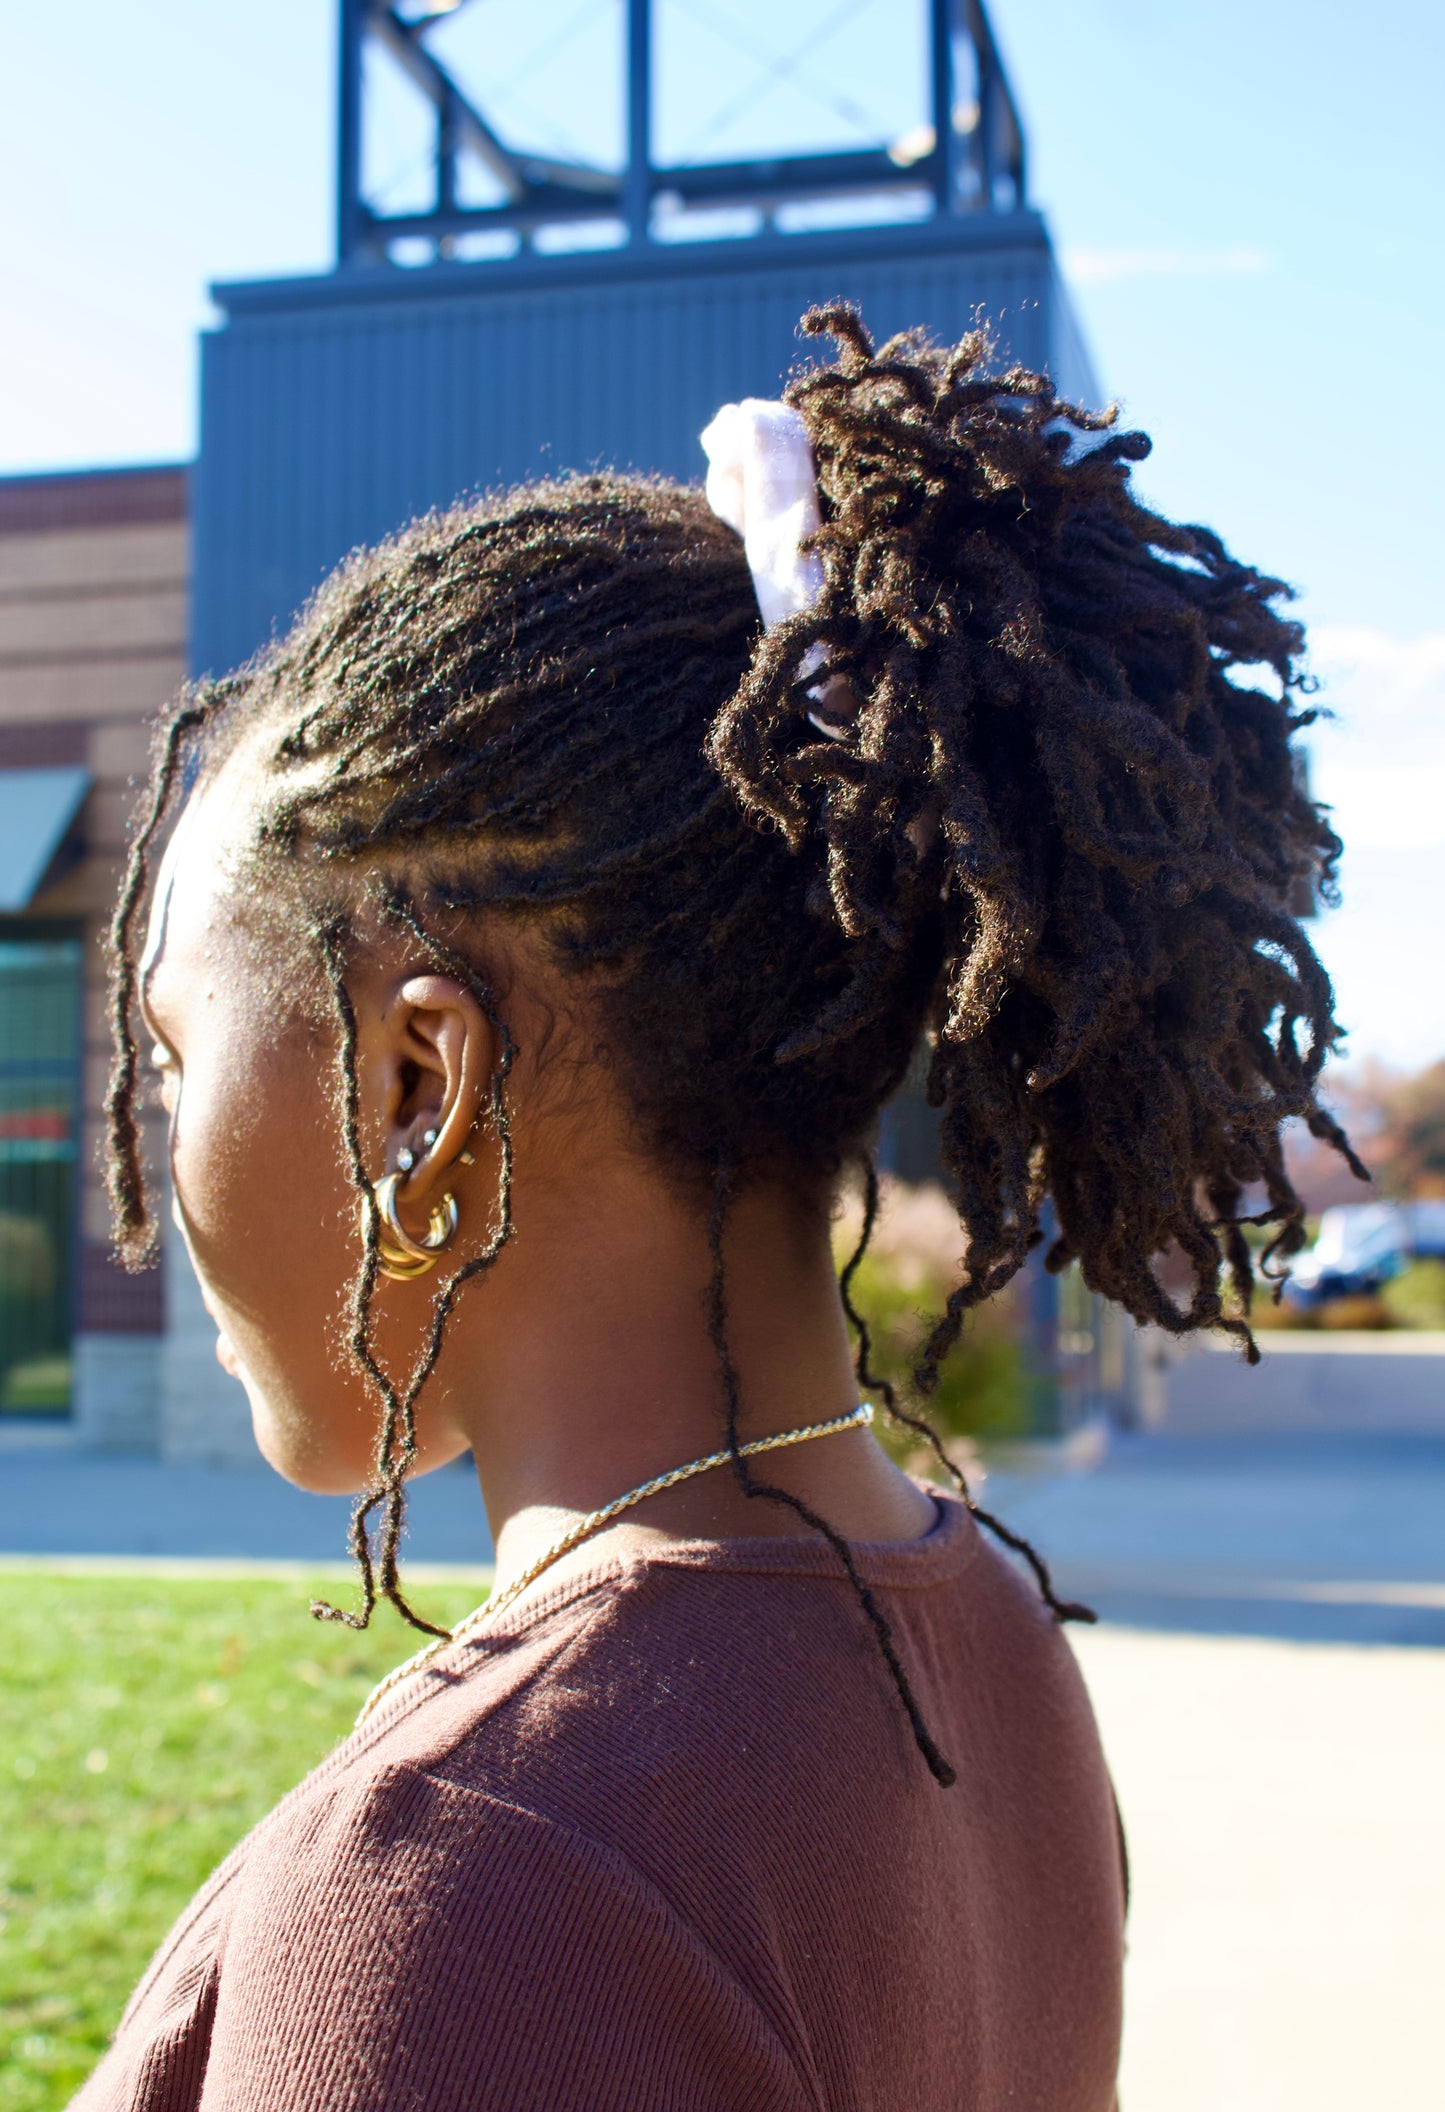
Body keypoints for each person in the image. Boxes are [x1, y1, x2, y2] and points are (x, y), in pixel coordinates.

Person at [76, 306, 1357, 2111]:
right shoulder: (985, 1637)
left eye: (173, 1052)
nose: (155, 1158)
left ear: (415, 1090)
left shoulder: (473, 1881)